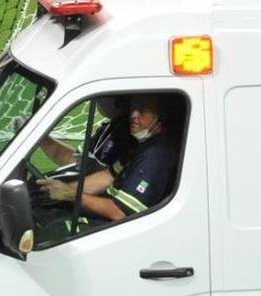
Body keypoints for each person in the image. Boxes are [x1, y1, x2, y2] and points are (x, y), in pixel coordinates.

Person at [36, 93, 178, 222]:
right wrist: (58, 191)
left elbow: (121, 212)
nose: (134, 114)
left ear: (162, 118)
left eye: (143, 110)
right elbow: (107, 176)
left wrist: (71, 194)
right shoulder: (140, 145)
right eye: (133, 108)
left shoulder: (156, 157)